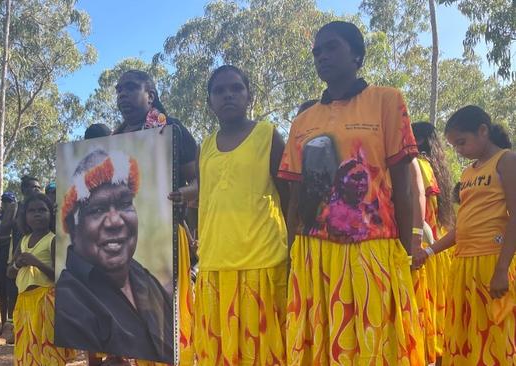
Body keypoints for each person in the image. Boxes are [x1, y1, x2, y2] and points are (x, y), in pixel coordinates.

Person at [278, 21, 424, 364]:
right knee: (322, 343)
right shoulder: (303, 120)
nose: (321, 56)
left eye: (331, 48)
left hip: (373, 247)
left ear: (357, 54)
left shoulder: (387, 101)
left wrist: (407, 246)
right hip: (314, 253)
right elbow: (296, 196)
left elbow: (403, 184)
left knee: (375, 342)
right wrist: (291, 253)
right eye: (316, 51)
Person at [183, 65, 288, 365]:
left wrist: (294, 252)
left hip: (263, 262)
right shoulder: (205, 147)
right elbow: (205, 192)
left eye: (236, 88)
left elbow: (290, 196)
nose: (228, 95)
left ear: (248, 95)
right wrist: (182, 195)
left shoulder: (268, 136)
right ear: (210, 101)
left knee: (265, 353)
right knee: (221, 354)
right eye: (219, 90)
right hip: (215, 264)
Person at [414, 105, 516, 365]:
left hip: (492, 261)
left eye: (462, 142)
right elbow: (462, 228)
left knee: (495, 337)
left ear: (483, 131)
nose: (458, 151)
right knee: (465, 338)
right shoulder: (468, 172)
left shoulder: (506, 160)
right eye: (454, 145)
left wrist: (502, 268)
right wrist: (428, 251)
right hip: (463, 266)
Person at [55, 149, 174, 364]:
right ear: (74, 227)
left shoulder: (143, 278)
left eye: (124, 203)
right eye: (97, 209)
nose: (115, 221)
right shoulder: (70, 304)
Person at [114, 69, 198, 365]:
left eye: (129, 88)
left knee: (166, 320)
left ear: (150, 95)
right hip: (127, 240)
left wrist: (186, 195)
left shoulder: (172, 128)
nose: (121, 94)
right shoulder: (116, 136)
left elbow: (198, 179)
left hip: (165, 238)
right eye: (118, 90)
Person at [7, 193, 75, 365]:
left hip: (46, 300)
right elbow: (10, 272)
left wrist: (36, 262)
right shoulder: (23, 240)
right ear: (25, 216)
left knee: (47, 347)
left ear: (50, 214)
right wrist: (18, 264)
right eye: (32, 211)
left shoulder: (52, 240)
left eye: (42, 210)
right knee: (28, 347)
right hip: (24, 301)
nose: (37, 214)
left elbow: (60, 276)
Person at [410, 121, 456, 363]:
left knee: (422, 321)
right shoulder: (434, 167)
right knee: (436, 320)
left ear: (414, 140)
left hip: (424, 252)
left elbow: (422, 211)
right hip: (438, 251)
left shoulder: (416, 164)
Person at [0, 175, 42, 343]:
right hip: (18, 255)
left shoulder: (43, 206)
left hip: (40, 256)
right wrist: (13, 210)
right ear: (23, 190)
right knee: (14, 295)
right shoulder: (18, 207)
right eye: (32, 187)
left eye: (38, 187)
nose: (36, 190)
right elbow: (4, 228)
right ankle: (12, 329)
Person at [0, 191, 17, 341]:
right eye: (4, 201)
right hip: (0, 261)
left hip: (13, 260)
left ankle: (12, 325)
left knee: (13, 294)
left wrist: (0, 239)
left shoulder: (18, 220)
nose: (6, 204)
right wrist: (3, 239)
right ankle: (3, 325)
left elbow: (2, 238)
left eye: (9, 201)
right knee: (2, 295)